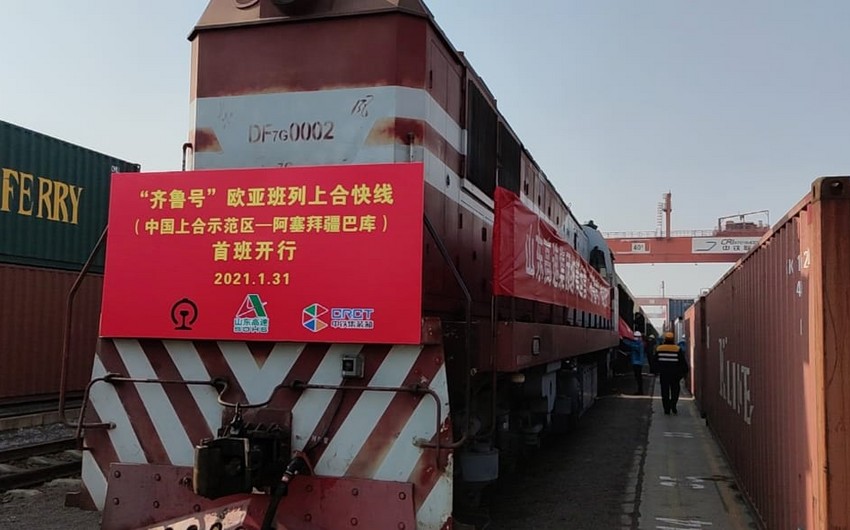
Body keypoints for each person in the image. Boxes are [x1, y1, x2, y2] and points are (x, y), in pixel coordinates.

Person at [655, 331, 688, 414]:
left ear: (665, 339)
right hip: (675, 375)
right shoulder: (677, 349)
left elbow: (655, 361)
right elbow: (682, 363)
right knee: (675, 391)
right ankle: (673, 405)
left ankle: (666, 409)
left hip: (664, 374)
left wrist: (656, 371)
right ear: (673, 339)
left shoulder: (659, 349)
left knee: (664, 392)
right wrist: (683, 373)